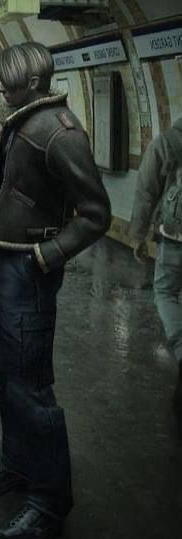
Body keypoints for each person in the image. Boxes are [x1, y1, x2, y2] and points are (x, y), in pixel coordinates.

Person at [0, 42, 111, 539]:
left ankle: (50, 501)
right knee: (3, 370)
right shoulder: (24, 120)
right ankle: (18, 463)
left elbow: (96, 213)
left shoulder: (60, 132)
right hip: (4, 262)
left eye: (7, 81)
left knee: (30, 385)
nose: (0, 88)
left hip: (28, 270)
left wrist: (46, 256)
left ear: (31, 83)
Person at [129, 116, 182, 374]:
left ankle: (181, 348)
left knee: (165, 292)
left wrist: (138, 236)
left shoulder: (167, 142)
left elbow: (146, 191)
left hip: (173, 238)